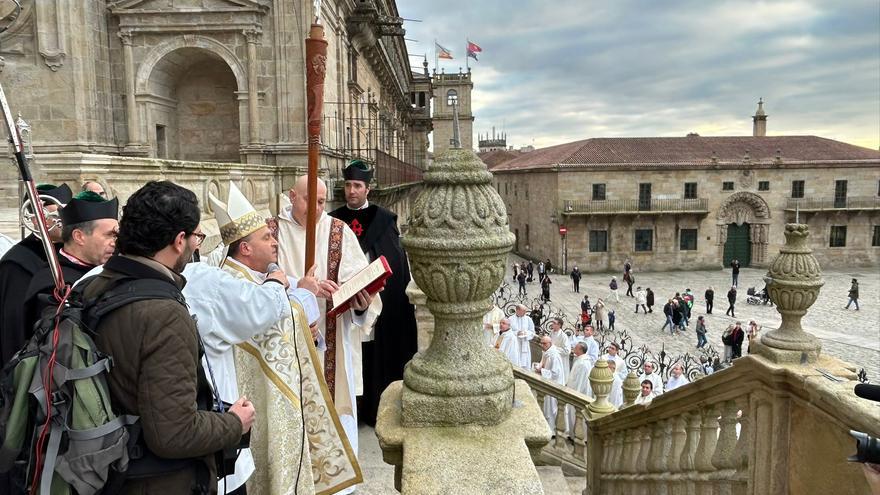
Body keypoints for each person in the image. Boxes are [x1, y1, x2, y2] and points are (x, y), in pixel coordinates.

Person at [85, 181, 253, 493]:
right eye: (196, 236)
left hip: (105, 473)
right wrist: (234, 423)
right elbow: (173, 434)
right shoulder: (163, 314)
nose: (195, 244)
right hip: (154, 480)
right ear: (179, 240)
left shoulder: (92, 286)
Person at [201, 182, 358, 493]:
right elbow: (271, 324)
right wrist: (305, 296)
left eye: (323, 201)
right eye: (266, 239)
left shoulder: (245, 275)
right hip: (244, 401)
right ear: (244, 248)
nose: (274, 243)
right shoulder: (233, 283)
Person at [276, 176, 381, 467]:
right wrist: (301, 287)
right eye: (309, 200)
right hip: (285, 348)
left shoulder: (338, 232)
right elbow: (255, 284)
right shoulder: (271, 232)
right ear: (292, 196)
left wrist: (361, 303)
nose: (316, 209)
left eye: (322, 201)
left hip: (333, 345)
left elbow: (357, 278)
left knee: (334, 429)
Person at [329, 161, 418, 429]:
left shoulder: (384, 220)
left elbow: (396, 263)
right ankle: (349, 409)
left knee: (374, 354)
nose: (351, 191)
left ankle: (375, 408)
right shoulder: (334, 221)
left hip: (378, 302)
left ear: (368, 189)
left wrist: (379, 292)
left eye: (357, 186)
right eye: (348, 185)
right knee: (350, 354)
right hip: (346, 303)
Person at [0, 183, 71, 366]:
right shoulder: (17, 263)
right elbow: (13, 327)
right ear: (34, 218)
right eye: (55, 214)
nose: (63, 220)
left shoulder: (70, 253)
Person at [24, 191, 119, 326]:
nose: (114, 242)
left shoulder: (111, 271)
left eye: (115, 236)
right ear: (79, 236)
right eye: (109, 235)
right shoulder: (52, 283)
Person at [536, 336, 565, 430]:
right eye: (541, 343)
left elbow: (555, 373)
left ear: (550, 343)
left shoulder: (554, 355)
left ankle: (550, 429)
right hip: (547, 382)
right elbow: (543, 363)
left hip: (553, 385)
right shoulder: (547, 352)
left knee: (550, 409)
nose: (542, 345)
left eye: (544, 343)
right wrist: (540, 367)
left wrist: (541, 371)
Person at [565, 342, 593, 437]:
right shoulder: (580, 360)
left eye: (576, 348)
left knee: (575, 415)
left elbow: (581, 381)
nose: (574, 349)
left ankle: (576, 436)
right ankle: (573, 435)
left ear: (581, 350)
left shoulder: (583, 363)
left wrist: (574, 393)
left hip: (577, 392)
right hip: (573, 388)